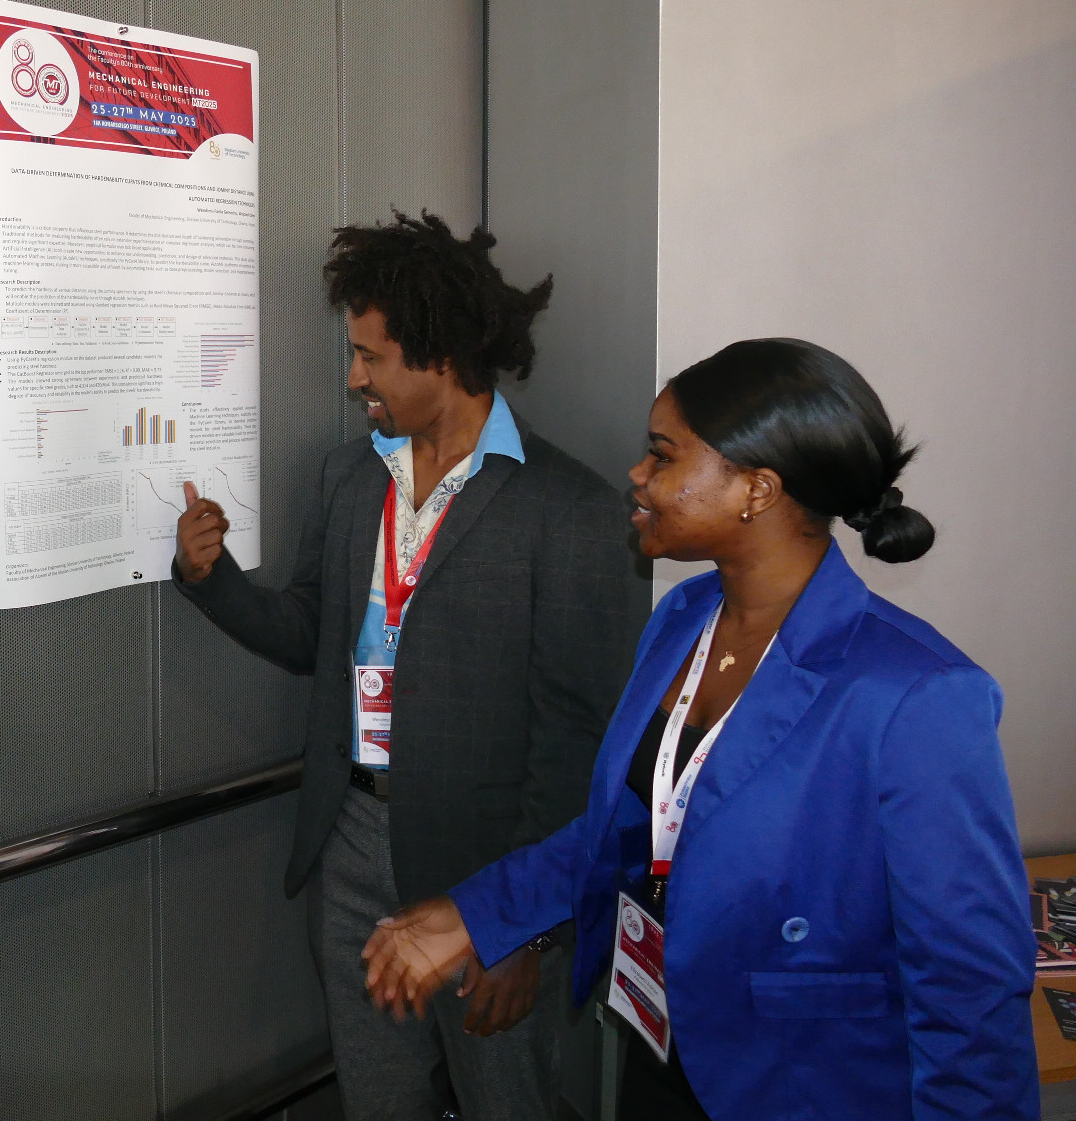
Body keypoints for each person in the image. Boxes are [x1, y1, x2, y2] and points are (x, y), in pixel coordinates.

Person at [362, 338, 1037, 1121]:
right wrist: (481, 913)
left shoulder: (916, 694)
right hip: (663, 1043)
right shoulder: (683, 618)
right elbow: (629, 829)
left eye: (662, 455)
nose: (636, 474)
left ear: (757, 489)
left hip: (801, 1082)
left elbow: (970, 989)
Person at [173, 212, 640, 1120]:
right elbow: (311, 633)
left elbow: (577, 743)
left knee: (505, 1101)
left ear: (443, 358)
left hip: (486, 864)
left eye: (370, 357)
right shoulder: (351, 478)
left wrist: (525, 929)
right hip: (351, 838)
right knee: (379, 1098)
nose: (354, 378)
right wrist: (211, 579)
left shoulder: (566, 509)